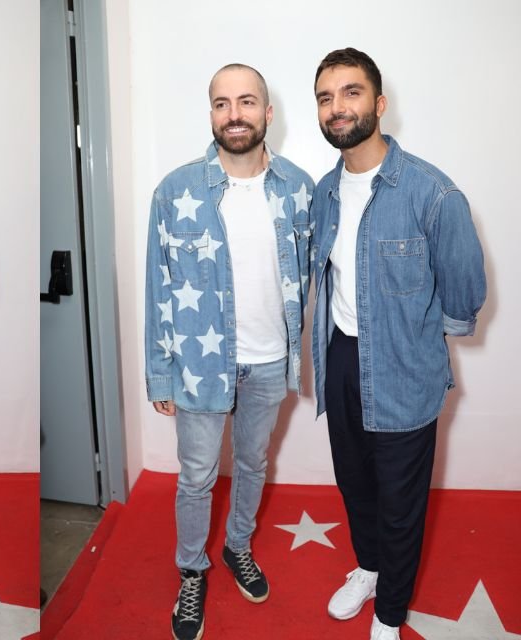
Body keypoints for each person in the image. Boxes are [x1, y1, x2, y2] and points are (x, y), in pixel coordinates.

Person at [310, 48, 486, 640]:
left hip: (404, 367)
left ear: (379, 104)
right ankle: (368, 567)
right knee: (354, 482)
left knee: (401, 500)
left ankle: (390, 613)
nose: (338, 107)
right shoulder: (324, 192)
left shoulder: (433, 193)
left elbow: (464, 294)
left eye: (351, 92)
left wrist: (414, 344)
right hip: (341, 358)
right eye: (326, 97)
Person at [145, 64, 314, 640]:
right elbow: (157, 287)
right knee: (196, 476)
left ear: (268, 114)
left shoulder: (298, 188)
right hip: (199, 363)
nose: (233, 114)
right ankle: (193, 568)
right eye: (222, 104)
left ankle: (238, 544)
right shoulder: (175, 191)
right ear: (211, 114)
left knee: (251, 463)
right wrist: (159, 374)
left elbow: (312, 276)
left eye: (246, 102)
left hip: (270, 361)